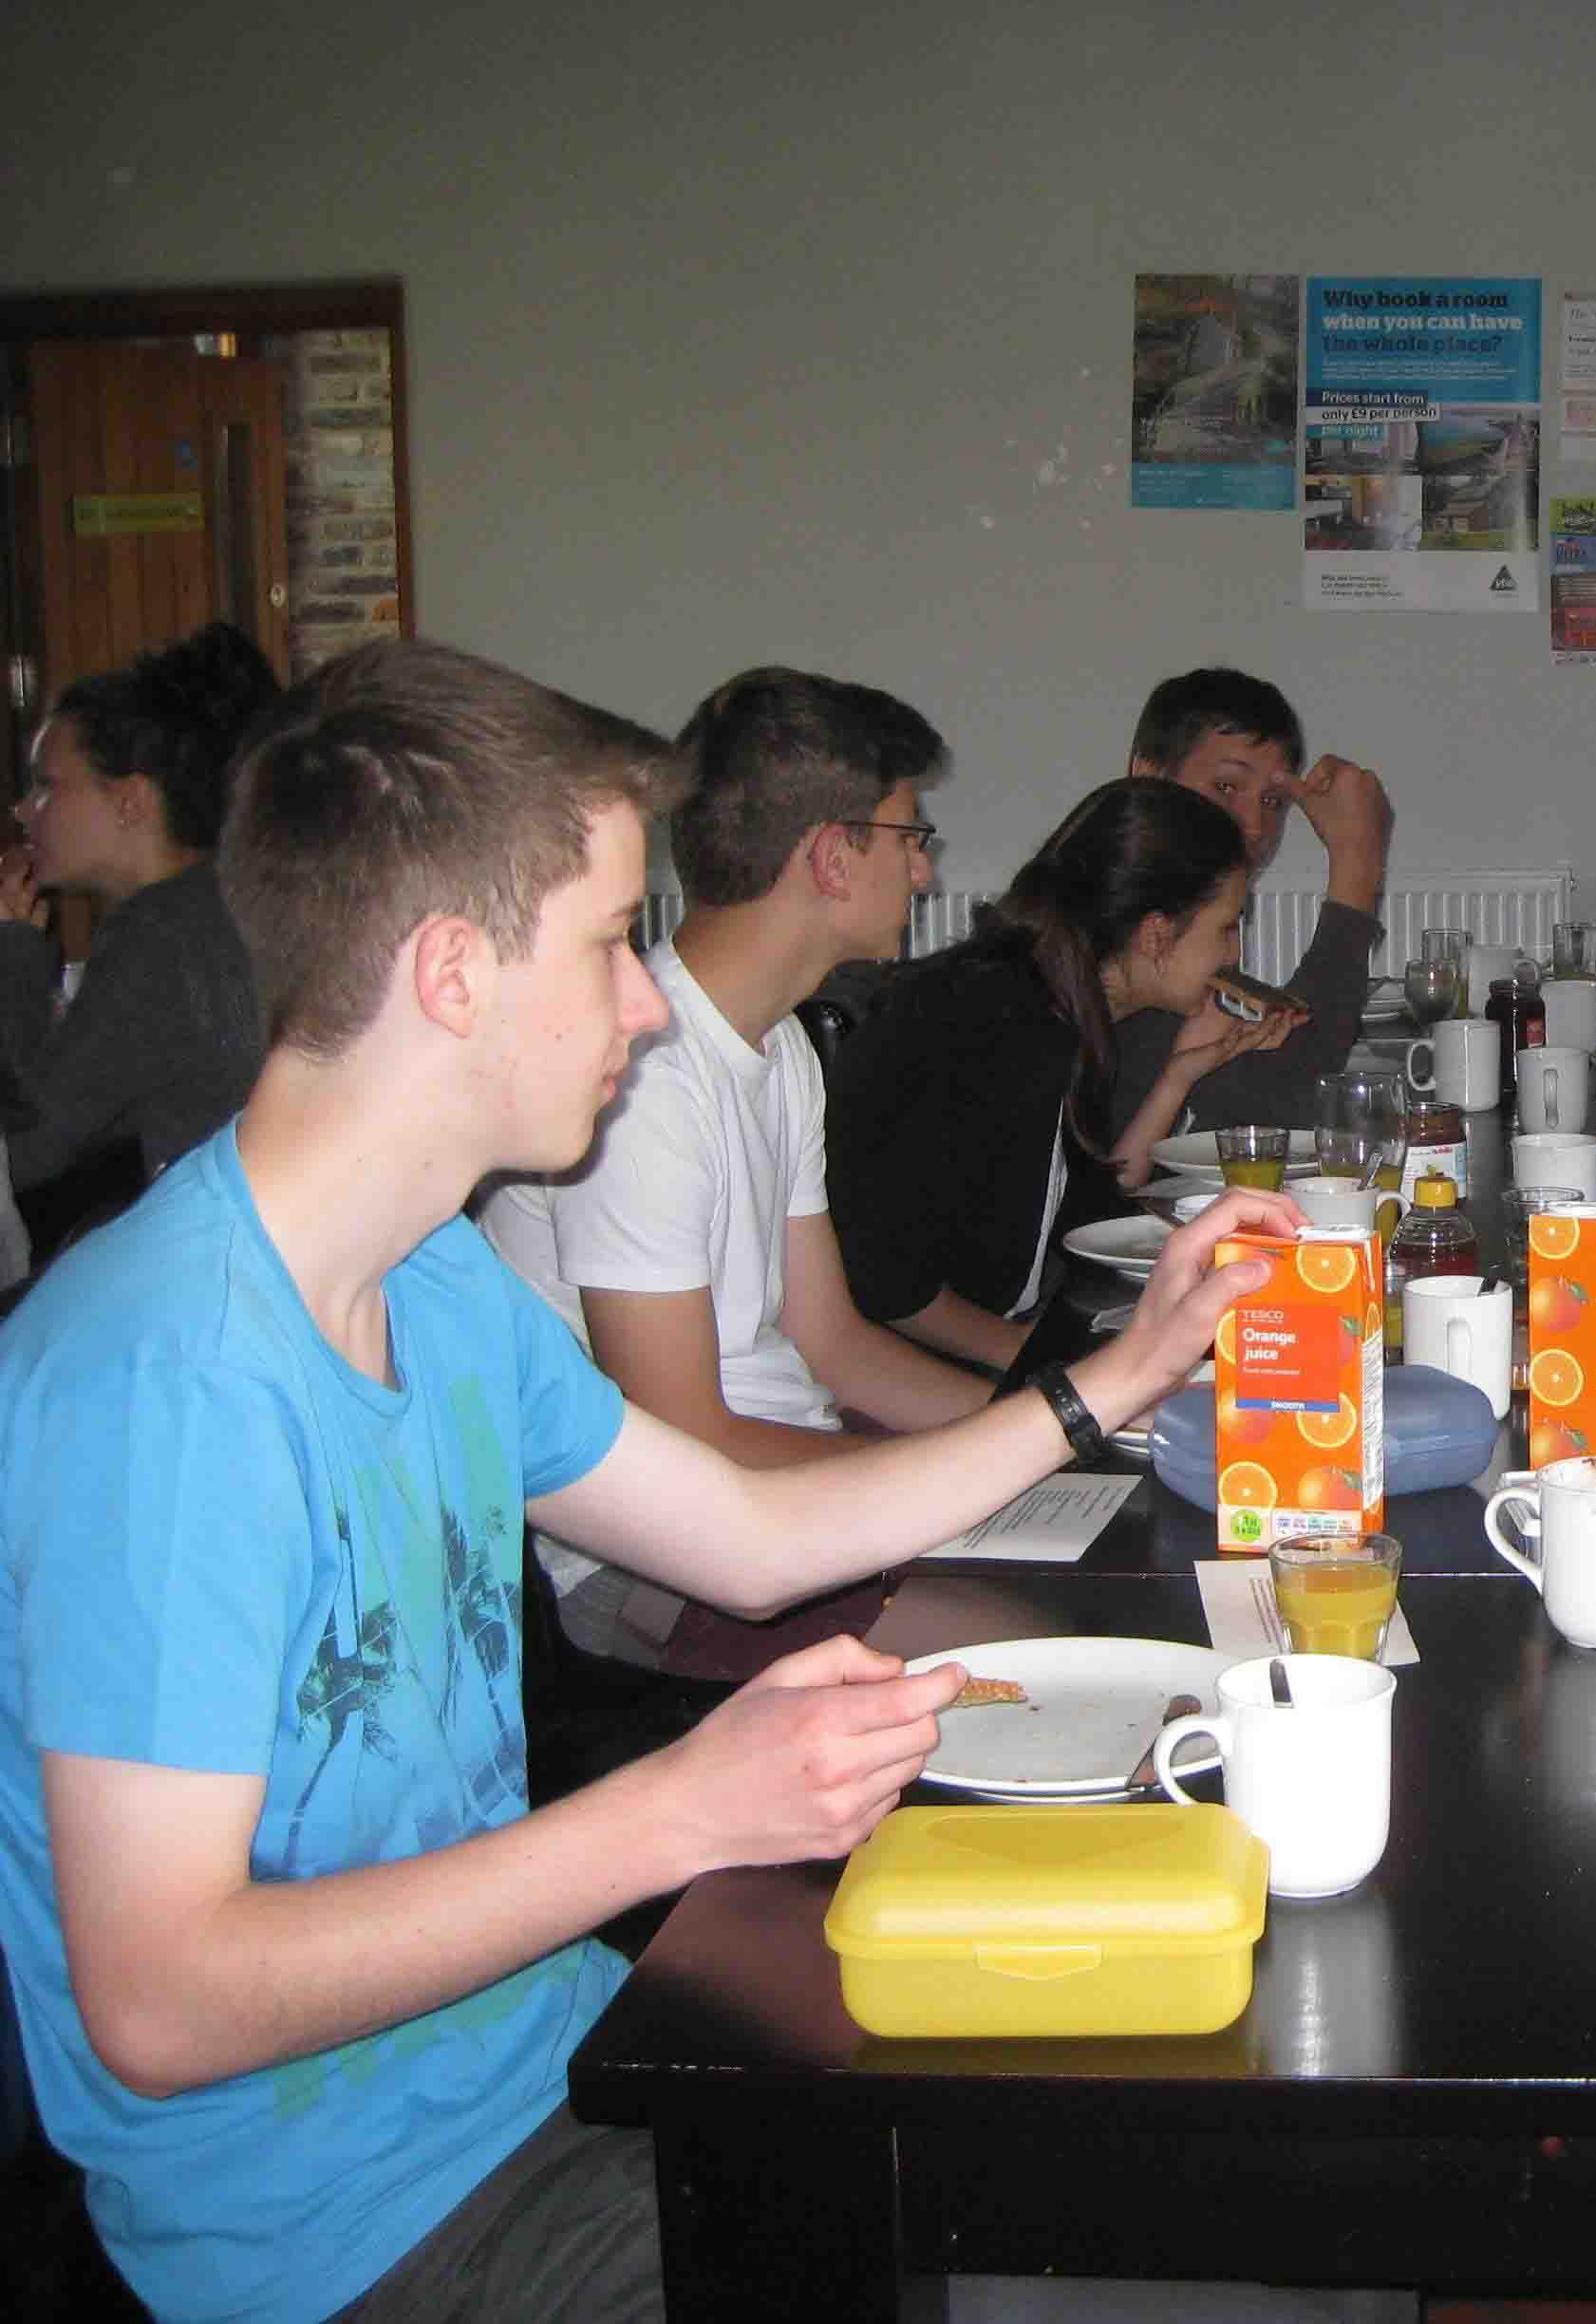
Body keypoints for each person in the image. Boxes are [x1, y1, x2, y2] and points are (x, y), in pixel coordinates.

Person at [0, 636, 1289, 2323]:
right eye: (609, 941)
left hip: (540, 2066)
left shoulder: (433, 1280)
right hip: (349, 2225)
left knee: (1170, 2200)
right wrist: (680, 1808)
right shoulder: (167, 1379)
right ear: (452, 972)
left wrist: (1115, 1378)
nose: (641, 1001)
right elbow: (160, 2002)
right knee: (1098, 2279)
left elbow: (744, 1534)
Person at [478, 668, 1013, 1662]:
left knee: (1073, 1550)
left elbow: (834, 1345)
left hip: (779, 1475)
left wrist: (1043, 1432)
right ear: (832, 857)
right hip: (650, 1558)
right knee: (1016, 1640)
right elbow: (687, 1436)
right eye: (911, 839)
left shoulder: (781, 1045)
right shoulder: (641, 1077)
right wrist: (957, 1475)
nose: (925, 875)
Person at [828, 778, 1263, 1367]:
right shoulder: (996, 1027)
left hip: (999, 1338)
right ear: (1157, 933)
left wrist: (1178, 1078)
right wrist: (1051, 1371)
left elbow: (1091, 1215)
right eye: (1227, 926)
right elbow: (887, 1285)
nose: (1233, 954)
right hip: (916, 1369)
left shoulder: (1060, 1005)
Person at [0, 622, 276, 1206]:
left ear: (130, 800)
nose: (23, 810)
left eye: (47, 785)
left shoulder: (159, 934)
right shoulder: (218, 898)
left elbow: (24, 1149)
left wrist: (15, 953)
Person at [1104, 666, 1393, 1135]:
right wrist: (1356, 865)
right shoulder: (1124, 916)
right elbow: (1280, 1103)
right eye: (1226, 787)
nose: (1254, 827)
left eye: (1273, 801)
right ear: (1148, 774)